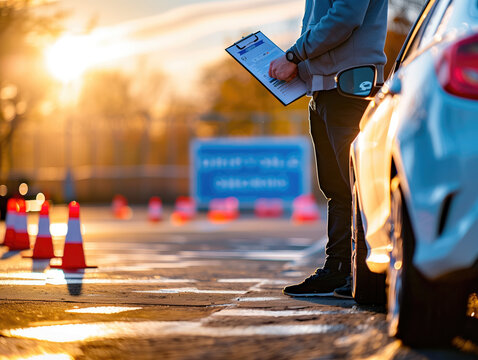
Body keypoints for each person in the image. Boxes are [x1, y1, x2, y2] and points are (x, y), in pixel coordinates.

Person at [269, 0, 388, 298]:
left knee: (357, 184)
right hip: (323, 90)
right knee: (336, 187)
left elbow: (345, 17)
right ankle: (338, 268)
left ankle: (366, 273)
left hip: (350, 88)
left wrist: (294, 56)